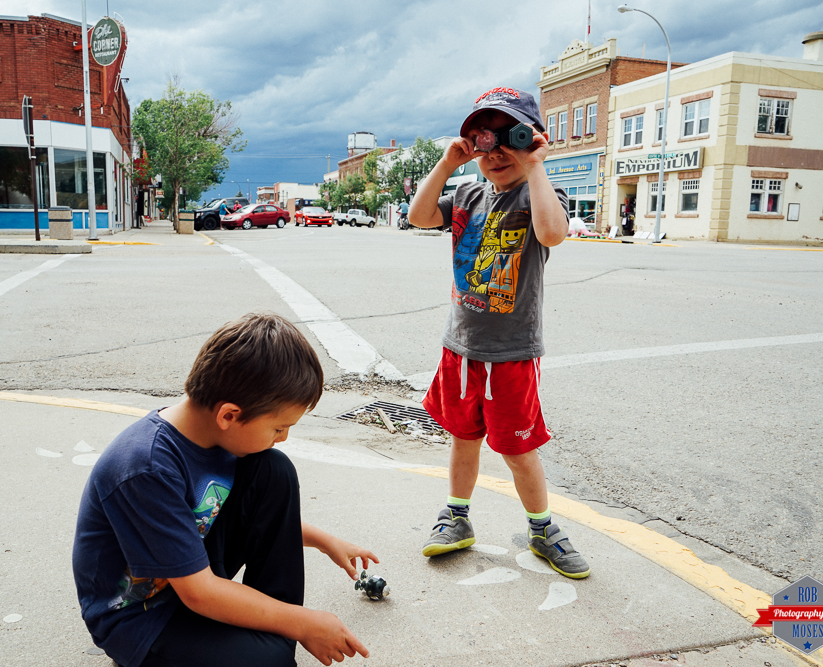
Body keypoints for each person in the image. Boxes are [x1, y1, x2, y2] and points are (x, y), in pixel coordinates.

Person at [73, 313, 378, 667]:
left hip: (189, 578)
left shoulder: (215, 436)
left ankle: (270, 633)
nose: (284, 438)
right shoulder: (147, 467)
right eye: (279, 428)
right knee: (272, 659)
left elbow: (229, 516)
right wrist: (305, 623)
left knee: (273, 470)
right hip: (142, 616)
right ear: (229, 415)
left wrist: (324, 541)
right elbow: (200, 594)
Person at [407, 87, 589, 579]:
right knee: (463, 438)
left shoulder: (540, 193)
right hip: (461, 347)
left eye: (510, 137)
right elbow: (419, 216)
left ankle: (542, 527)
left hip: (511, 351)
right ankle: (456, 516)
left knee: (516, 447)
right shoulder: (466, 193)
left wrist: (536, 166)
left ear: (532, 140)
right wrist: (447, 164)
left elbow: (552, 234)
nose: (496, 153)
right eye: (484, 141)